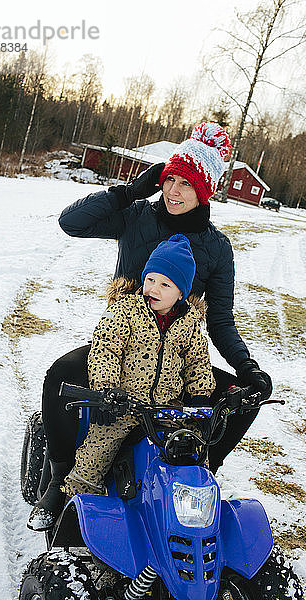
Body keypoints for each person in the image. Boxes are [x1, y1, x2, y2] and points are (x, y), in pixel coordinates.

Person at [28, 122, 272, 529]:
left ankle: (194, 471)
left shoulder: (216, 248)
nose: (173, 191)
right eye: (169, 180)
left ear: (205, 190)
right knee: (59, 376)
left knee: (242, 398)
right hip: (122, 346)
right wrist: (126, 192)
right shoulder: (137, 215)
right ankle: (58, 481)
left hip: (175, 357)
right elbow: (71, 223)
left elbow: (221, 320)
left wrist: (247, 367)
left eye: (186, 184)